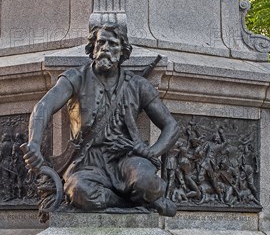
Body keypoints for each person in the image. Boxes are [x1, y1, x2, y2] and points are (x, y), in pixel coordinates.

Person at [23, 23, 180, 216]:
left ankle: (133, 196)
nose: (105, 48)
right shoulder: (76, 77)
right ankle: (136, 202)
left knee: (148, 182)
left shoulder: (138, 85)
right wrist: (34, 143)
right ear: (93, 47)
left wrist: (151, 152)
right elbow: (44, 106)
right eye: (101, 42)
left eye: (113, 44)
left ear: (123, 51)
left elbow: (171, 126)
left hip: (127, 158)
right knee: (80, 192)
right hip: (87, 162)